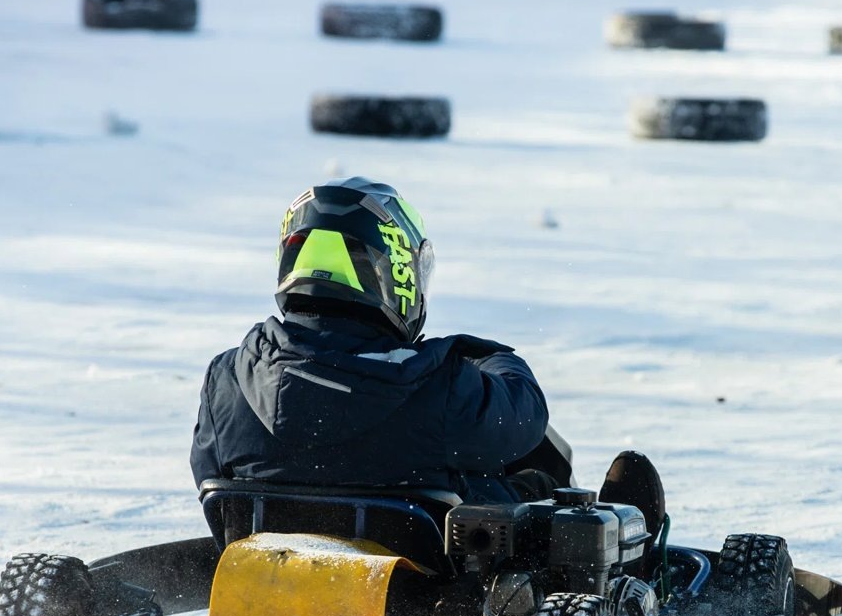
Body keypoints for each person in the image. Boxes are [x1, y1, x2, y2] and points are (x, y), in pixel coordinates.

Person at [190, 176, 664, 527]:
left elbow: (210, 475)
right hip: (432, 603)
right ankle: (631, 563)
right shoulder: (437, 388)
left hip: (271, 577)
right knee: (534, 488)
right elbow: (525, 419)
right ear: (394, 272)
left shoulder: (226, 380)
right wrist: (488, 358)